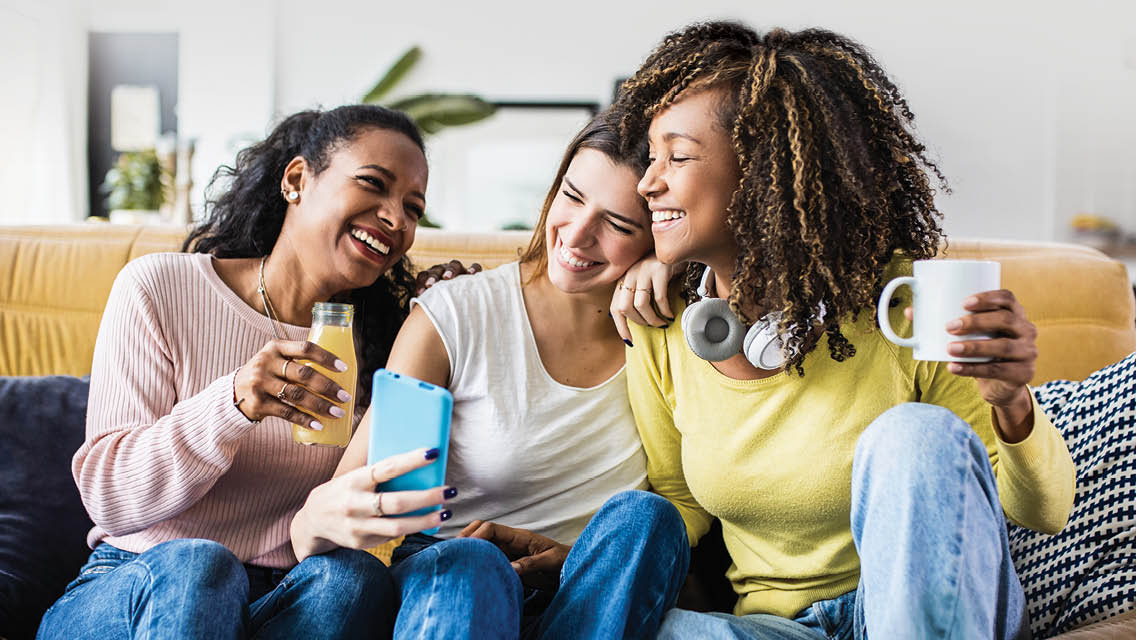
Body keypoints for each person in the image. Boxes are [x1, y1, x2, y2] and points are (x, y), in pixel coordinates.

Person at [599, 21, 1077, 639]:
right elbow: (678, 502)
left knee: (912, 432)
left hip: (929, 610)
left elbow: (1044, 511)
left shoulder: (911, 304)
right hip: (780, 629)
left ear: (764, 171)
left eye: (678, 156)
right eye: (650, 157)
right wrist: (583, 555)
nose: (647, 182)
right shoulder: (664, 325)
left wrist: (1011, 401)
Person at [37, 105, 456, 640]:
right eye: (373, 184)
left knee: (352, 582)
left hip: (282, 598)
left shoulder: (388, 341)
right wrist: (232, 403)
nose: (396, 220)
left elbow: (396, 504)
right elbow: (109, 499)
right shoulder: (160, 289)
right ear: (298, 180)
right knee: (198, 566)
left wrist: (444, 328)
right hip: (138, 583)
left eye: (413, 209)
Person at [290, 113, 688, 639]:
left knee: (646, 518)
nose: (578, 234)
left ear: (657, 232)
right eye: (571, 197)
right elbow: (357, 502)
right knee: (475, 565)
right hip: (452, 582)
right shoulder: (458, 315)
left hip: (584, 603)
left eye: (617, 225)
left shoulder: (674, 332)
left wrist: (679, 265)